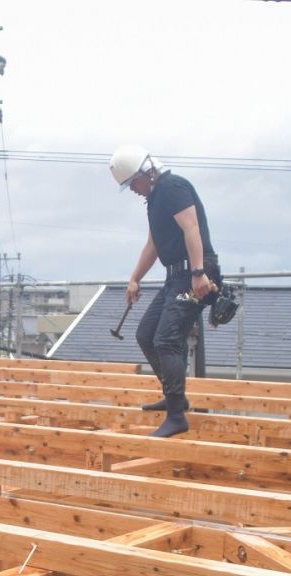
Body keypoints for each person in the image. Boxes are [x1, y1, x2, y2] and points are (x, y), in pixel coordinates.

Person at [110, 144, 222, 437]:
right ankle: (176, 397)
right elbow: (153, 244)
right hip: (176, 277)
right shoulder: (154, 199)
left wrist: (199, 273)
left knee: (166, 338)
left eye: (132, 182)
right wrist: (135, 278)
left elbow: (192, 228)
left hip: (194, 275)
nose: (132, 189)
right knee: (146, 334)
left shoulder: (173, 187)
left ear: (146, 172)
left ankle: (176, 416)